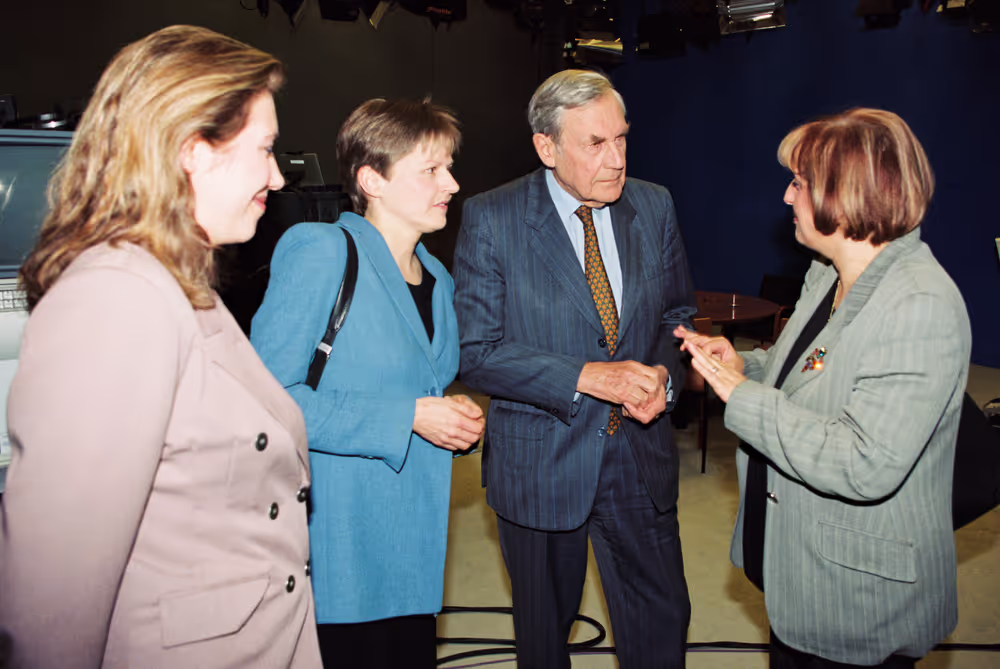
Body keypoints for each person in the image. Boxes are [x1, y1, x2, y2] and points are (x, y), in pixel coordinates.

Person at [0, 25, 321, 668]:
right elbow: (53, 596)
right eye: (264, 149)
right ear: (192, 151)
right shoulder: (116, 299)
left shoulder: (175, 283)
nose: (276, 179)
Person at [677, 108, 970, 668]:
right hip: (802, 575)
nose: (787, 198)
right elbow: (807, 372)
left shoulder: (919, 304)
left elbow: (863, 461)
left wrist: (740, 395)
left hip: (860, 603)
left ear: (849, 192)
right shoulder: (829, 273)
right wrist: (740, 366)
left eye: (798, 183)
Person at [453, 69, 696, 668]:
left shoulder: (653, 204)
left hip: (639, 459)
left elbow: (677, 316)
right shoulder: (493, 218)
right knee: (544, 638)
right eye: (595, 144)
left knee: (662, 622)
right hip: (541, 463)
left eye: (621, 139)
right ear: (546, 147)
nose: (615, 159)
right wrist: (585, 376)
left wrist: (665, 379)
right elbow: (475, 351)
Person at [250, 98, 485, 669]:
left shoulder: (438, 278)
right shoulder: (322, 252)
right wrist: (406, 416)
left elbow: (423, 384)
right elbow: (266, 400)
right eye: (430, 170)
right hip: (338, 546)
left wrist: (451, 416)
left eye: (450, 167)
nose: (451, 184)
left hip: (414, 549)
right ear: (371, 179)